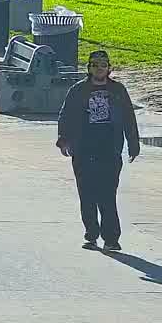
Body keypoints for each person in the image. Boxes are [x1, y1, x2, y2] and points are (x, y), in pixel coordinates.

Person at [57, 50, 140, 251]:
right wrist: (64, 140)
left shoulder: (118, 90)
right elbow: (65, 115)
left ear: (109, 68)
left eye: (103, 64)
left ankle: (111, 238)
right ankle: (91, 234)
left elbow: (129, 117)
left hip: (109, 149)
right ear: (89, 68)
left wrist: (133, 143)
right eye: (95, 64)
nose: (99, 68)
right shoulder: (78, 90)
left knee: (107, 194)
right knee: (87, 194)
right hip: (83, 148)